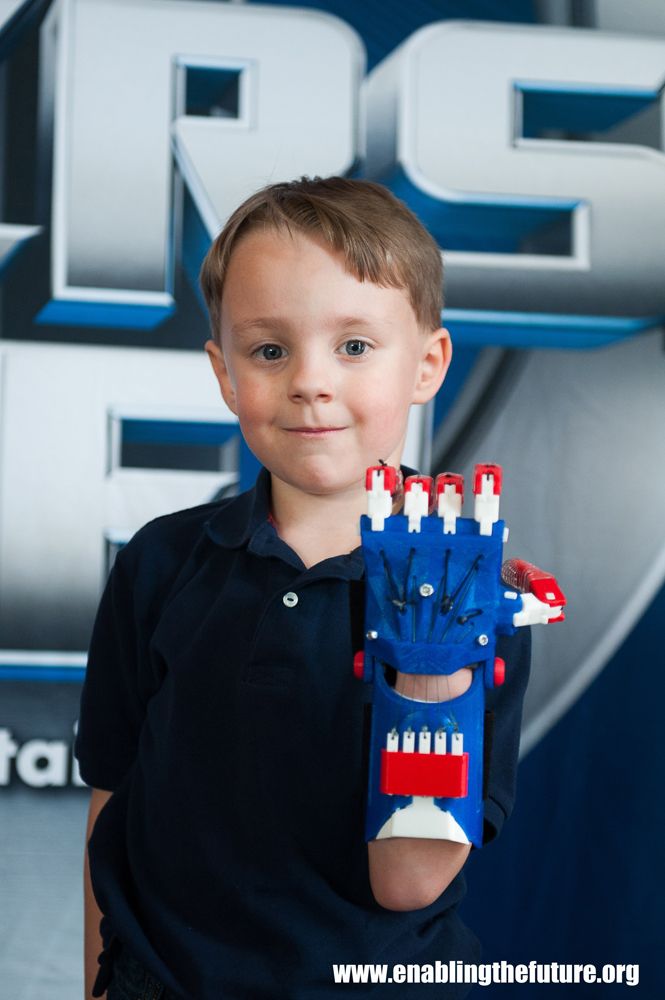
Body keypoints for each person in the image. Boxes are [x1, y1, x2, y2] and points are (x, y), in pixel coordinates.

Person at [76, 176, 530, 999]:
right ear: (223, 372)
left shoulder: (476, 596)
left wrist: (428, 672)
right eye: (269, 349)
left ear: (426, 363)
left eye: (353, 346)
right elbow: (114, 800)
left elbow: (409, 882)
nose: (309, 382)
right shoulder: (160, 562)